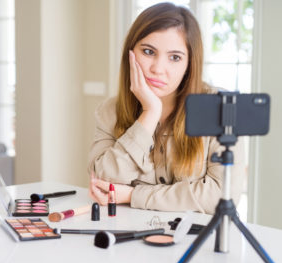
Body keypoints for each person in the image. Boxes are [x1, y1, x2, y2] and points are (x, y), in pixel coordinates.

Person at [88, 2, 245, 214]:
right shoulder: (110, 110)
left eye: (175, 57)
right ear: (130, 53)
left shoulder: (219, 108)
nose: (158, 69)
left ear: (189, 64)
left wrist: (134, 195)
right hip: (127, 236)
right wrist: (150, 113)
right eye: (148, 51)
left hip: (198, 240)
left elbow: (221, 196)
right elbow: (103, 183)